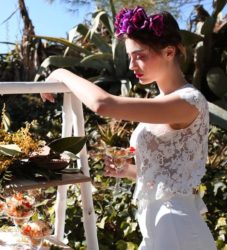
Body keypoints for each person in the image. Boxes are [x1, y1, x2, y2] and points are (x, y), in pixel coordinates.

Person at [40, 6, 216, 250]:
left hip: (176, 228)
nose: (132, 64)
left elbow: (103, 104)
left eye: (140, 55)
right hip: (158, 226)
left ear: (169, 52)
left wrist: (60, 73)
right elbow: (168, 176)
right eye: (130, 56)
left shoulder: (188, 100)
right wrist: (128, 170)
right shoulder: (164, 102)